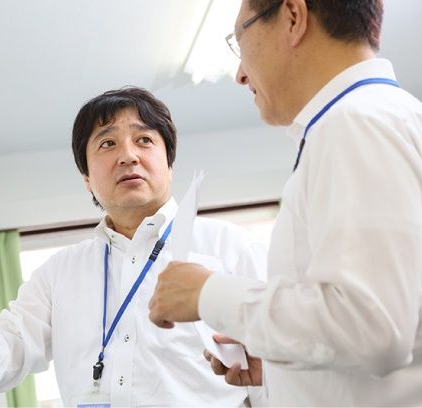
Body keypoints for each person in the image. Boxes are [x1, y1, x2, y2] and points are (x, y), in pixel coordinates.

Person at [148, 0, 422, 406]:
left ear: (293, 17)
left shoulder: (355, 123)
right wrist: (285, 369)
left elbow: (372, 327)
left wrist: (208, 293)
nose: (240, 74)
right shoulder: (378, 118)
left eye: (240, 39)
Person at [0, 87, 267, 406]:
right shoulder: (59, 273)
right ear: (87, 180)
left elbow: (276, 377)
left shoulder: (230, 248)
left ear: (169, 166)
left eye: (144, 140)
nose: (128, 156)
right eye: (107, 143)